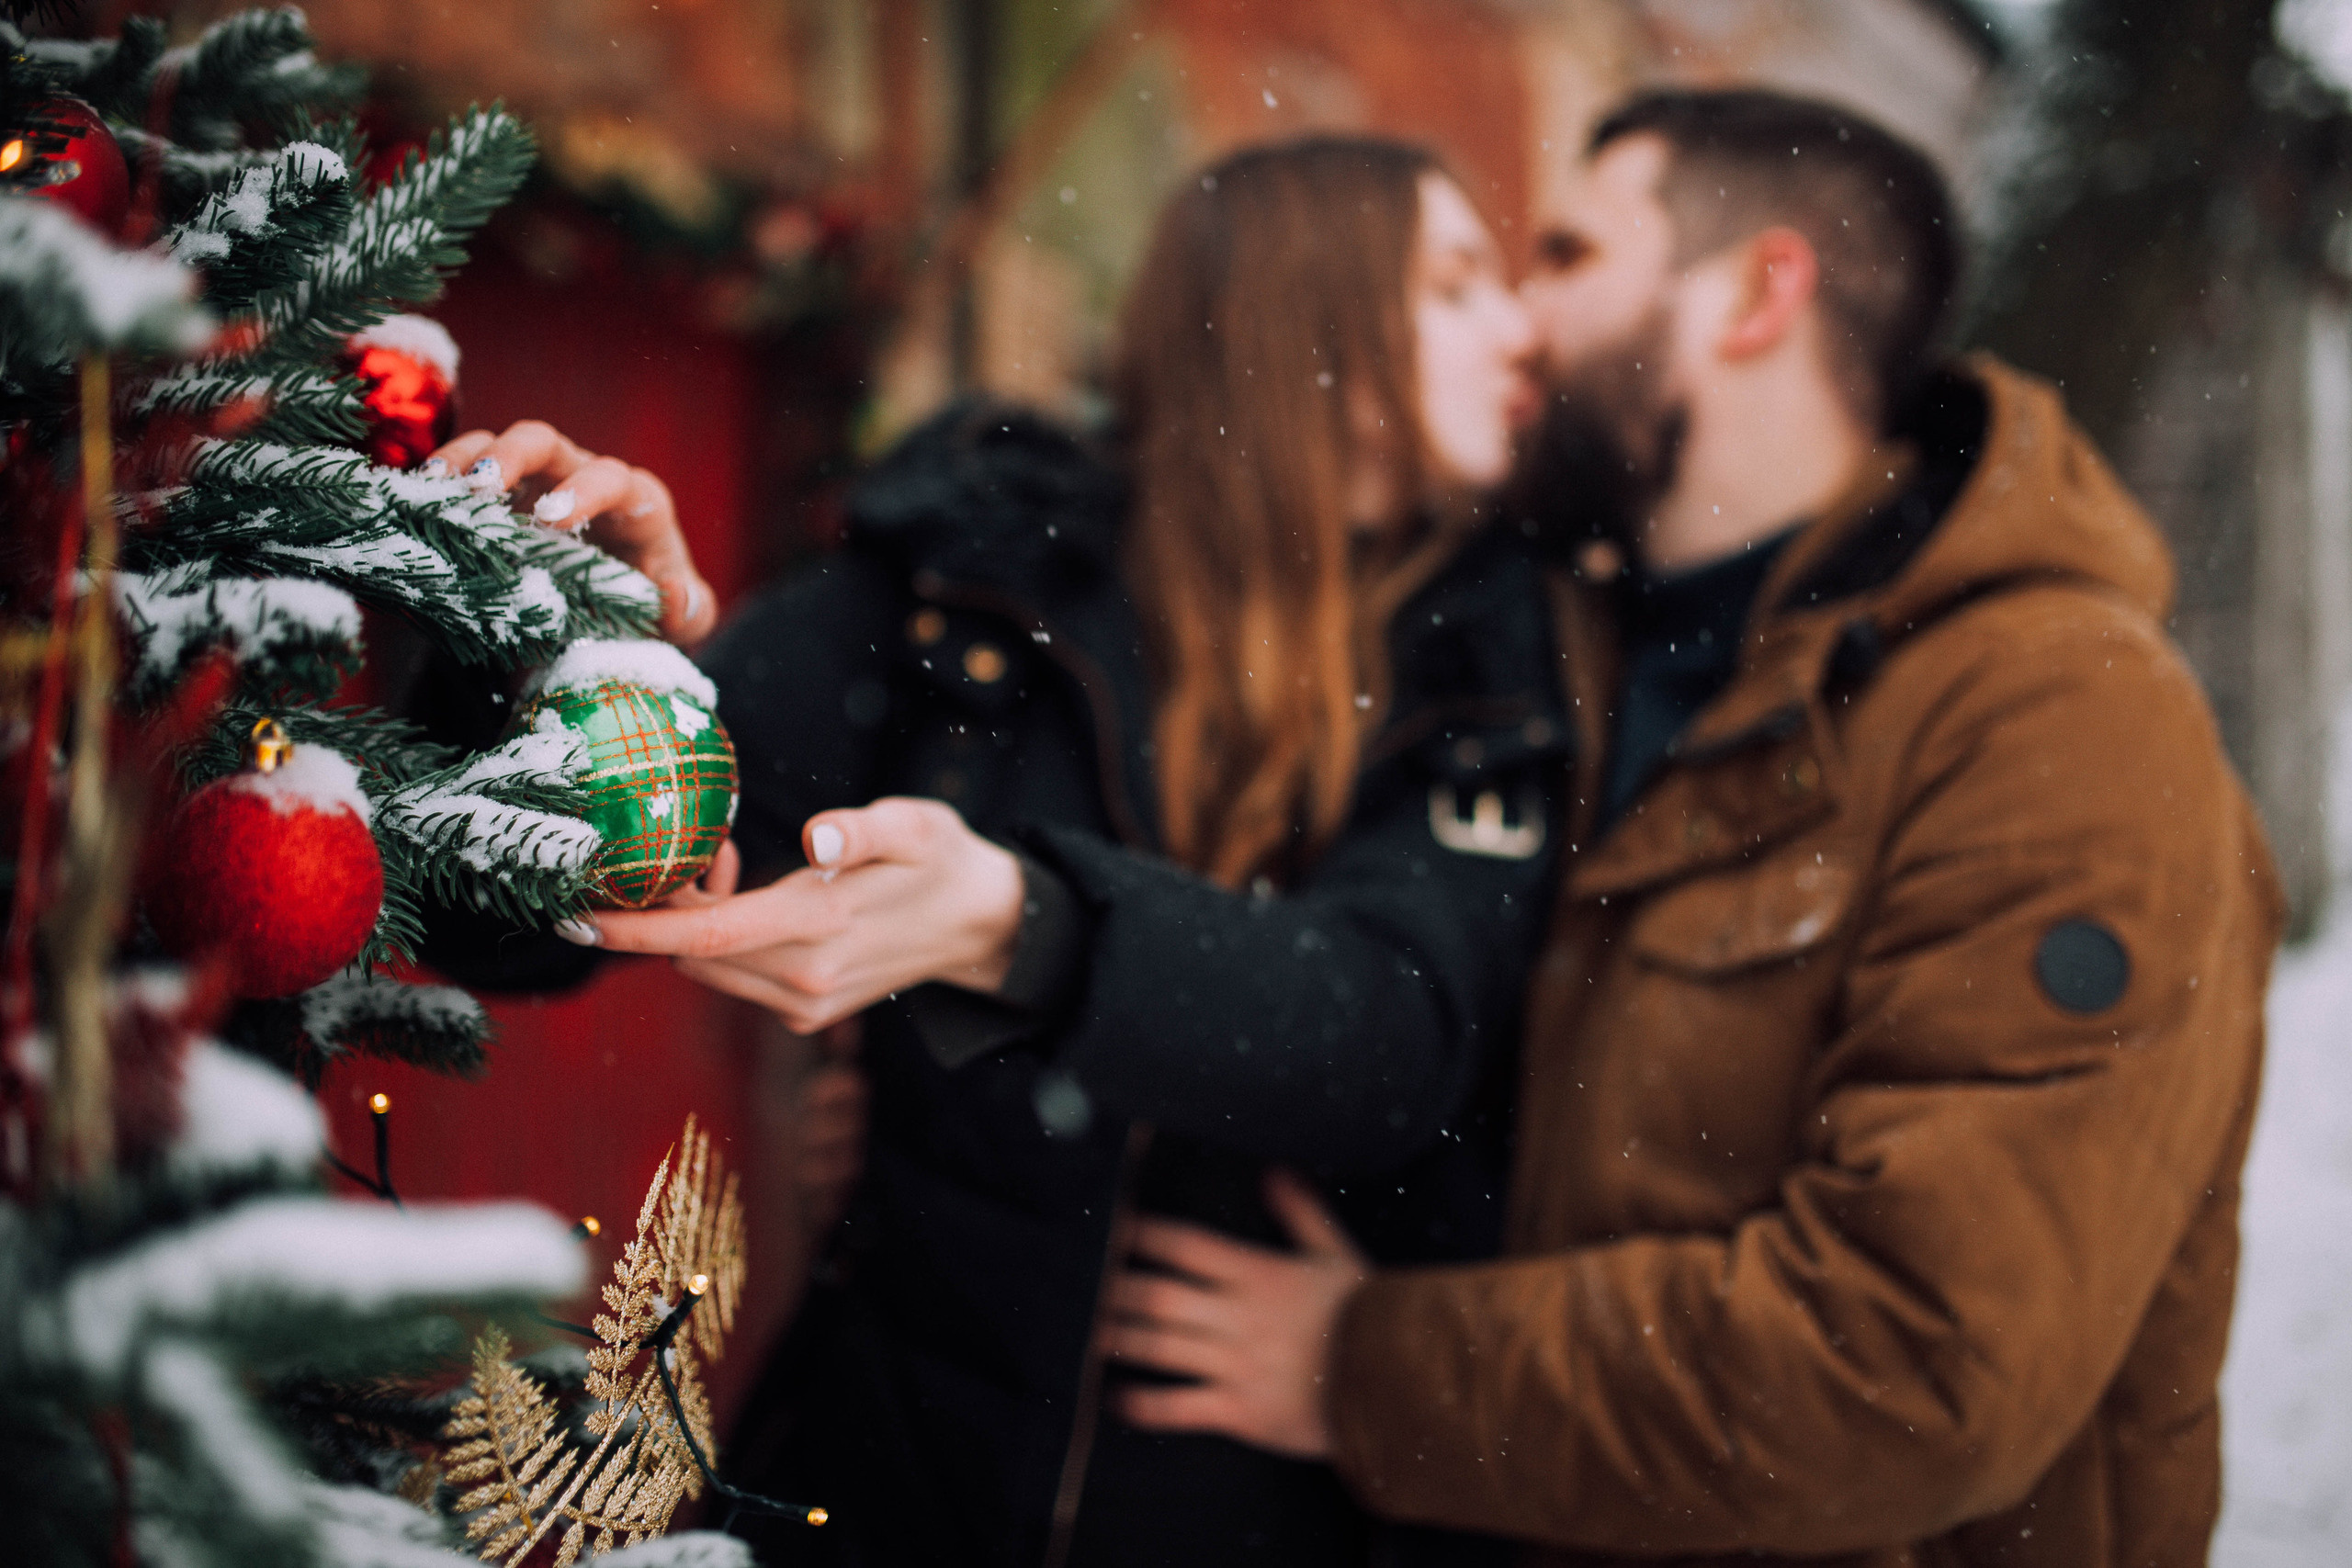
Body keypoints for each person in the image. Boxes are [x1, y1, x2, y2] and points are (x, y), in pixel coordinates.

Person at [1097, 88, 2284, 1568]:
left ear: (1757, 296)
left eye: (1572, 256)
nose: (1523, 322)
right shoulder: (1553, 656)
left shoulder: (2060, 720)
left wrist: (1368, 1371)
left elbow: (1914, 1370)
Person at [471, 136, 1566, 1564]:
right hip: (881, 1483)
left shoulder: (1490, 668)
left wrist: (1026, 928)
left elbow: (1385, 1033)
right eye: (1459, 284)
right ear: (1327, 336)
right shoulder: (970, 582)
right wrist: (557, 640)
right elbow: (526, 905)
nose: (1521, 326)